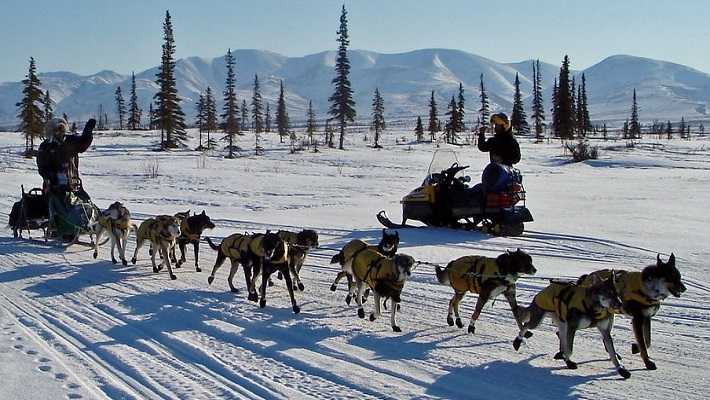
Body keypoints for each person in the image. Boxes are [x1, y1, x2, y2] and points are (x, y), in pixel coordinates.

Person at [37, 117, 97, 240]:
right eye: (57, 130)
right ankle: (61, 227)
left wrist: (88, 130)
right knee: (61, 205)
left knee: (84, 203)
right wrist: (50, 177)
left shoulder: (70, 141)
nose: (60, 133)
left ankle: (87, 223)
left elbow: (83, 143)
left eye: (62, 129)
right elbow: (42, 166)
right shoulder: (46, 146)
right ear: (52, 131)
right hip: (54, 185)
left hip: (73, 183)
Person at [477, 113, 520, 192]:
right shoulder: (493, 140)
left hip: (506, 174)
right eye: (495, 125)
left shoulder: (511, 141)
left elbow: (517, 158)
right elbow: (482, 147)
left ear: (505, 126)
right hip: (494, 173)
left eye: (498, 125)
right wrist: (481, 135)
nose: (495, 127)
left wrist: (503, 159)